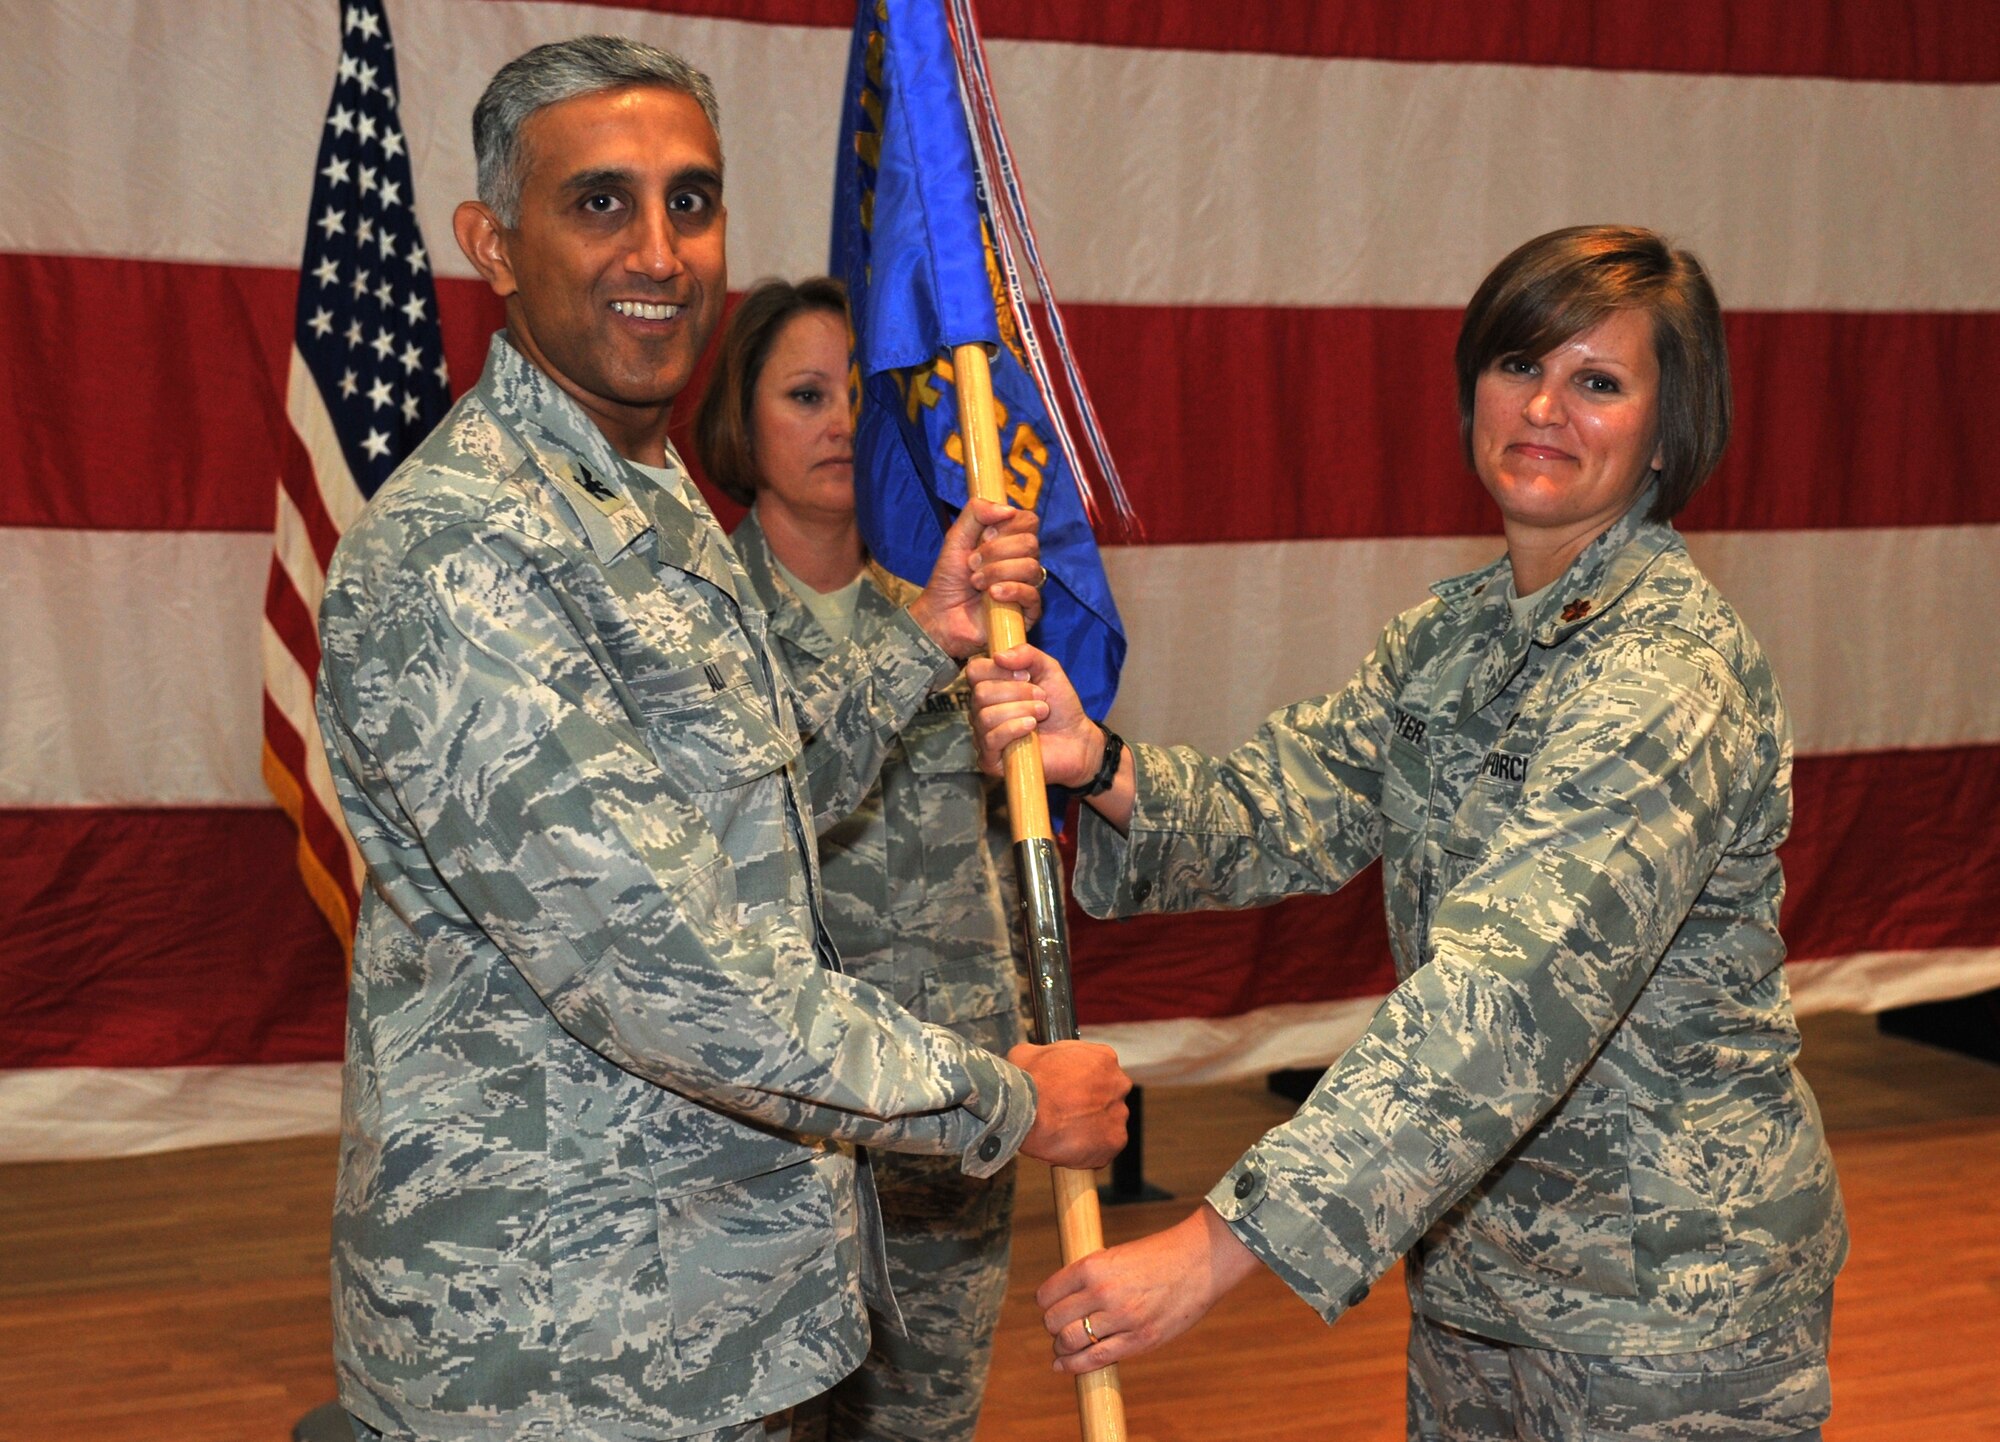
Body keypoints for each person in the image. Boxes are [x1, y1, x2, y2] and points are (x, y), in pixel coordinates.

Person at [314, 36, 1128, 1442]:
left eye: (689, 202)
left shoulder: (648, 490)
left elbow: (740, 808)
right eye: (600, 202)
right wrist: (1001, 1100)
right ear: (491, 244)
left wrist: (911, 645)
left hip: (723, 1321)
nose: (659, 250)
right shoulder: (461, 549)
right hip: (555, 1349)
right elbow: (667, 967)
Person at [970, 226, 1847, 1441]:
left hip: (1665, 1314)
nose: (1542, 407)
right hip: (1479, 1281)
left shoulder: (1664, 674)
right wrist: (1098, 763)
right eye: (1516, 364)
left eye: (1596, 380)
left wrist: (1213, 1248)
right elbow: (1285, 804)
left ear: (1666, 431)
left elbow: (1502, 997)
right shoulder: (1453, 635)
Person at [692, 278, 1029, 1442]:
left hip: (950, 1123)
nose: (839, 421)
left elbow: (1008, 862)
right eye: (804, 395)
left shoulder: (964, 620)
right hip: (773, 1135)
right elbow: (736, 826)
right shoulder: (697, 629)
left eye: (858, 396)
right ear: (740, 421)